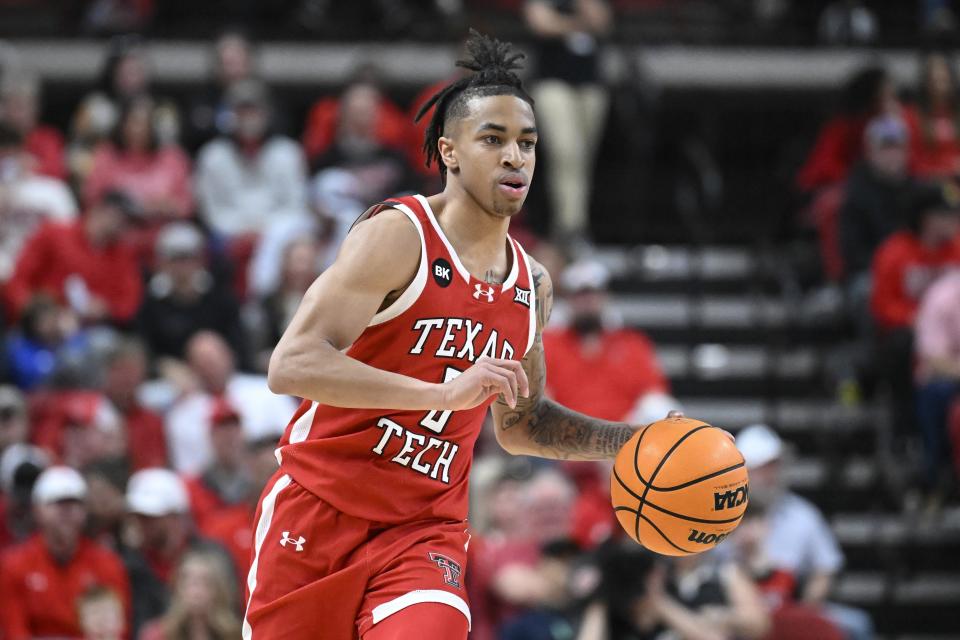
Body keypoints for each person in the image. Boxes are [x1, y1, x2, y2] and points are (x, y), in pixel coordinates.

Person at [245, 31, 673, 640]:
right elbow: (291, 364)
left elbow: (524, 425)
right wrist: (441, 395)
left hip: (425, 533)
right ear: (448, 151)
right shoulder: (399, 235)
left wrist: (636, 441)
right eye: (493, 140)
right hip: (318, 513)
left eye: (527, 142)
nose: (515, 157)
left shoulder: (533, 284)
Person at [735, 425, 874, 640]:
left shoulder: (803, 514)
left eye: (774, 465)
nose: (770, 474)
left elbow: (826, 568)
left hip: (793, 601)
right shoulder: (723, 516)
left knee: (856, 624)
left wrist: (805, 609)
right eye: (762, 467)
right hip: (740, 607)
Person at [0, 466, 131, 640]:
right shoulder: (14, 564)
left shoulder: (107, 564)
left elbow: (118, 629)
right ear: (37, 509)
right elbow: (14, 632)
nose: (66, 512)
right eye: (57, 503)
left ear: (85, 510)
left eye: (74, 503)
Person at [543, 258, 678, 424]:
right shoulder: (548, 344)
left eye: (592, 294)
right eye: (579, 295)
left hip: (624, 435)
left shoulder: (632, 344)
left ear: (605, 296)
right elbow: (540, 395)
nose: (586, 302)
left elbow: (655, 393)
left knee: (659, 408)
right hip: (564, 436)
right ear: (568, 300)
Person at [523, 0, 611, 242]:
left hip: (589, 84)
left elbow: (601, 21)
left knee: (583, 159)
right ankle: (568, 227)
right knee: (565, 151)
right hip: (552, 82)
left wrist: (572, 20)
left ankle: (576, 225)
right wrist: (577, 25)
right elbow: (541, 23)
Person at [164, 331, 296, 475]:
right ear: (191, 368)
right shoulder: (181, 416)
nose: (210, 368)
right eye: (203, 363)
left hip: (271, 476)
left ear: (230, 355)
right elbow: (187, 471)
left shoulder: (267, 391)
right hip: (212, 487)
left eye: (214, 359)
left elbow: (295, 441)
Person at [4, 190, 143, 326]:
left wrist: (106, 308)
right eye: (122, 218)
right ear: (101, 210)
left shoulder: (123, 256)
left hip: (89, 331)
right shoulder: (54, 234)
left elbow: (129, 303)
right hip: (38, 325)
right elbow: (18, 281)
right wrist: (33, 311)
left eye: (130, 223)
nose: (125, 227)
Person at [121, 467, 232, 636]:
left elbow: (232, 614)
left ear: (176, 516)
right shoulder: (132, 565)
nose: (142, 524)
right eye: (138, 517)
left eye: (150, 517)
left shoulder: (212, 556)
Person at [195, 79, 309, 239]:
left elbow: (295, 206)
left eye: (254, 110)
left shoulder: (288, 152)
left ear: (267, 113)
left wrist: (266, 230)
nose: (248, 117)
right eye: (242, 111)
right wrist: (242, 231)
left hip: (277, 235)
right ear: (230, 115)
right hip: (229, 236)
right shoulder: (213, 155)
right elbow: (211, 211)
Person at [137, 222, 246, 363]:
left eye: (188, 258)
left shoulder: (221, 299)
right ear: (161, 262)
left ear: (201, 260)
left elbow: (239, 347)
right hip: (167, 379)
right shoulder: (150, 303)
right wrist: (164, 366)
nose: (182, 266)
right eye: (175, 259)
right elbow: (145, 349)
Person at [83, 95, 193, 220]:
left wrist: (165, 206)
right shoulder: (107, 155)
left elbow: (187, 205)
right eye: (134, 122)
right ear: (122, 125)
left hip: (162, 228)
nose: (139, 129)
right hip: (119, 229)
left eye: (146, 123)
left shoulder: (173, 157)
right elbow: (91, 199)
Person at [0, 121, 77, 284]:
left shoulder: (54, 190)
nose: (6, 156)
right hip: (6, 261)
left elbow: (70, 236)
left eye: (11, 150)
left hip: (44, 265)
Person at [838, 115, 913, 283]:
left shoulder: (919, 189)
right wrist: (892, 267)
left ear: (907, 151)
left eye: (897, 147)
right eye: (884, 148)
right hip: (872, 272)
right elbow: (853, 252)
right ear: (870, 152)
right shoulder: (856, 194)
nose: (891, 155)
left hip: (917, 269)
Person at [914, 270, 960, 499]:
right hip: (947, 382)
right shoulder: (943, 295)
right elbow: (934, 360)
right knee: (936, 392)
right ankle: (936, 475)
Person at [138, 550, 243, 640]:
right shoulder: (157, 635)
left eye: (204, 582)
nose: (195, 591)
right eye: (189, 582)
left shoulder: (235, 634)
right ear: (178, 588)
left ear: (218, 590)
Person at [100, 337, 168, 470]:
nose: (127, 379)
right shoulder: (87, 413)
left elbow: (155, 466)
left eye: (133, 372)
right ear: (108, 372)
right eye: (121, 370)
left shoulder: (151, 422)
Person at [0, 71, 67, 180]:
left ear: (34, 109)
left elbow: (57, 171)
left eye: (19, 107)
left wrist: (30, 167)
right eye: (8, 106)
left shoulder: (47, 138)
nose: (13, 113)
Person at [905, 52, 960, 179]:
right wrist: (946, 170)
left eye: (944, 80)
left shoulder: (956, 114)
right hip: (928, 186)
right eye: (934, 81)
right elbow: (912, 162)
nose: (939, 86)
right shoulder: (912, 116)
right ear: (925, 84)